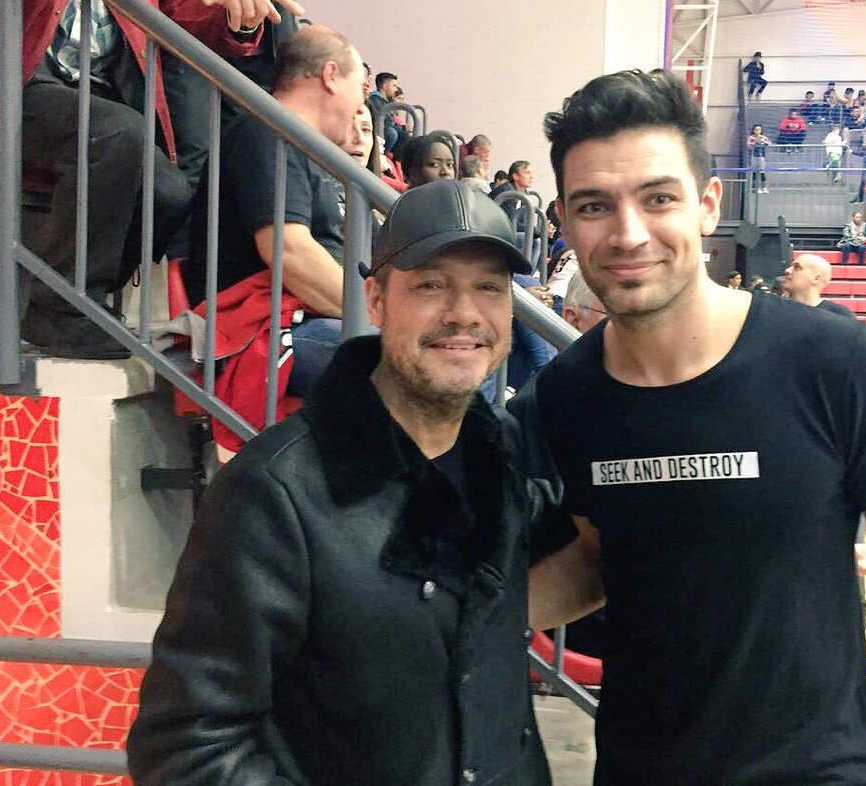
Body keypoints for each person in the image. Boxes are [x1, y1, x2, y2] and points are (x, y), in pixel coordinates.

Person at [517, 68, 866, 785]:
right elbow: (603, 555)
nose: (628, 233)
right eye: (594, 206)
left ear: (708, 205)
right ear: (564, 219)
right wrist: (468, 611)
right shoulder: (566, 396)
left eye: (658, 198)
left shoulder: (835, 362)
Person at [127, 179, 552, 785]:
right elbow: (186, 748)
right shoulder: (272, 493)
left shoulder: (503, 454)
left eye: (489, 287)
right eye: (430, 285)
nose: (464, 313)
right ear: (375, 300)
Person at [0, 0, 290, 359]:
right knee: (118, 134)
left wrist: (234, 16)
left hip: (97, 92)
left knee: (169, 194)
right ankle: (62, 307)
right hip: (10, 82)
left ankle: (72, 299)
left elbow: (185, 13)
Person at [183, 25, 367, 416]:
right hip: (267, 327)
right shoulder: (267, 132)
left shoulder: (303, 147)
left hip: (309, 318)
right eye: (360, 88)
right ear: (331, 75)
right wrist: (383, 313)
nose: (360, 105)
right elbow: (289, 251)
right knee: (429, 361)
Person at [783, 253, 855, 319]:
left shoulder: (839, 315)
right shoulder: (778, 310)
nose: (787, 270)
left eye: (797, 267)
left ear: (816, 279)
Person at [746, 124, 771, 193]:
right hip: (754, 156)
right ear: (753, 130)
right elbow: (748, 145)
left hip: (761, 156)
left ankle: (764, 187)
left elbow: (769, 143)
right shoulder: (751, 138)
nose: (757, 131)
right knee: (754, 172)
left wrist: (764, 142)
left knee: (762, 172)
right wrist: (755, 142)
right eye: (756, 130)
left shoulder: (763, 137)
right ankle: (755, 188)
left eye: (759, 130)